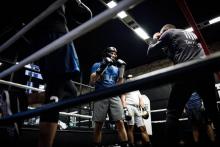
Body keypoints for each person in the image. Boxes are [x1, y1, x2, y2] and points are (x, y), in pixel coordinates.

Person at [25, 0, 92, 146]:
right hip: (56, 35)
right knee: (56, 89)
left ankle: (17, 101)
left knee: (70, 92)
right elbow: (85, 15)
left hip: (40, 39)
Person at [147, 24, 220, 146]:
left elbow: (150, 52)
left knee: (172, 113)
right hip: (205, 71)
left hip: (187, 72)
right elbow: (175, 53)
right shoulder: (191, 34)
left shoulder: (168, 33)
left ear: (164, 31)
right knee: (212, 110)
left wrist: (155, 38)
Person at [90, 46, 129, 147]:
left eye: (116, 54)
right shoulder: (97, 65)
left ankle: (125, 144)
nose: (115, 55)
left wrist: (122, 71)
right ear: (106, 53)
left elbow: (120, 85)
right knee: (99, 124)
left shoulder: (116, 68)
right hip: (100, 95)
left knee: (120, 122)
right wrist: (102, 67)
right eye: (112, 53)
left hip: (114, 96)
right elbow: (92, 82)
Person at [121, 74, 152, 147]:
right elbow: (123, 98)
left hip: (137, 108)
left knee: (143, 127)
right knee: (130, 127)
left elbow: (140, 99)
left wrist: (144, 109)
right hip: (129, 107)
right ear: (127, 79)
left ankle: (148, 144)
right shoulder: (125, 87)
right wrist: (125, 109)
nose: (130, 79)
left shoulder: (136, 89)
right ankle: (131, 144)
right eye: (129, 78)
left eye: (131, 78)